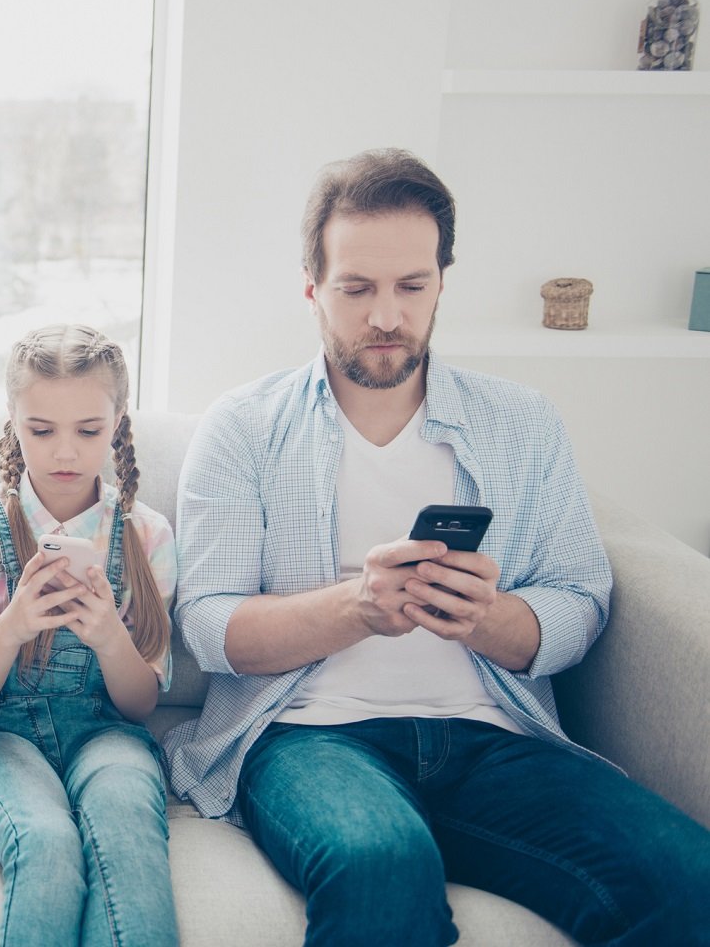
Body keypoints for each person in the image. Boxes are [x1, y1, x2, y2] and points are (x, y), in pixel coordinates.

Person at [165, 148, 710, 946]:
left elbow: (580, 598)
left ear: (441, 284)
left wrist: (488, 618)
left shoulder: (522, 425)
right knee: (381, 863)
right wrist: (354, 609)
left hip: (492, 736)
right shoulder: (245, 428)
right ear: (313, 288)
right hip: (311, 737)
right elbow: (209, 626)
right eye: (357, 288)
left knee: (687, 879)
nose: (386, 315)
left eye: (411, 286)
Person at [0, 324, 178, 947]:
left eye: (89, 431)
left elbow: (142, 703)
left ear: (118, 422)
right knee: (45, 842)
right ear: (14, 422)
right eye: (42, 430)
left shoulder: (146, 536)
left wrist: (108, 637)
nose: (64, 453)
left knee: (127, 832)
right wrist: (13, 625)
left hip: (107, 729)